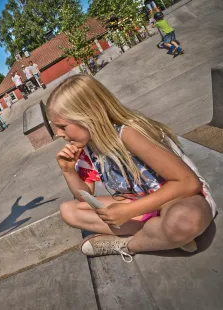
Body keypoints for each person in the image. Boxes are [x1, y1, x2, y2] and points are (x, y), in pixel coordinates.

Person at [47, 74, 216, 262]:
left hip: (177, 199)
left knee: (185, 220)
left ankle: (128, 244)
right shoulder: (88, 148)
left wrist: (128, 212)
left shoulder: (129, 133)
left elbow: (188, 183)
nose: (58, 134)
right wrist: (68, 171)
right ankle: (162, 235)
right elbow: (83, 196)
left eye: (62, 126)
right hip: (142, 202)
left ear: (87, 116)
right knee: (69, 211)